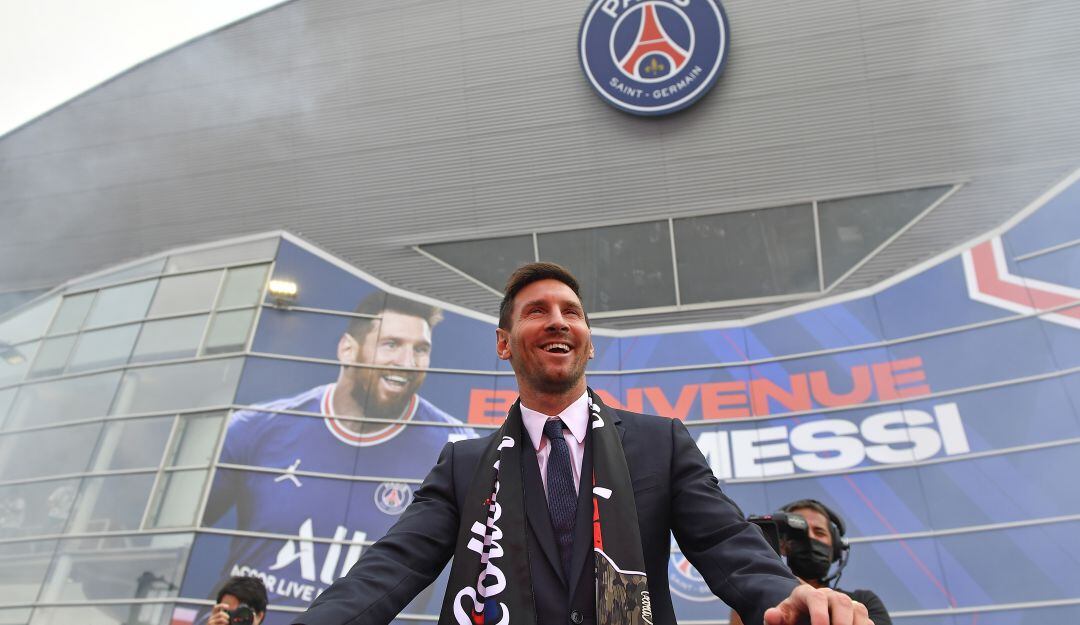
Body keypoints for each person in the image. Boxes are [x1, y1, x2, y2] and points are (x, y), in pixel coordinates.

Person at [294, 263, 872, 625]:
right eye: (536, 312)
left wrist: (787, 594)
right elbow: (390, 567)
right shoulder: (463, 465)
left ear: (588, 342)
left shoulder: (660, 444)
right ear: (504, 343)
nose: (558, 321)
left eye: (571, 312)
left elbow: (726, 541)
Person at [200, 291, 474, 609]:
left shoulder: (455, 450)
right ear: (347, 349)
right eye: (391, 344)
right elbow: (179, 528)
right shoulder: (259, 427)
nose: (407, 363)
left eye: (420, 349)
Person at [731, 500, 891, 625]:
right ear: (783, 546)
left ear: (836, 547)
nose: (810, 537)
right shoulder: (762, 597)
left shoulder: (864, 601)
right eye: (800, 532)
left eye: (819, 532)